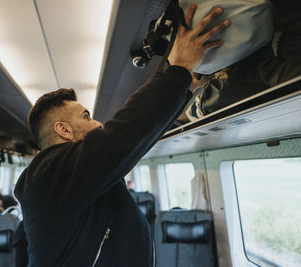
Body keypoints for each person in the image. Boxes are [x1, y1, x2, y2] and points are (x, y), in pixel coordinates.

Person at [14, 5, 229, 267]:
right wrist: (178, 68)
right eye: (86, 116)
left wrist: (184, 89)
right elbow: (122, 136)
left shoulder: (70, 179)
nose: (98, 123)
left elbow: (137, 141)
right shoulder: (48, 175)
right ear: (64, 130)